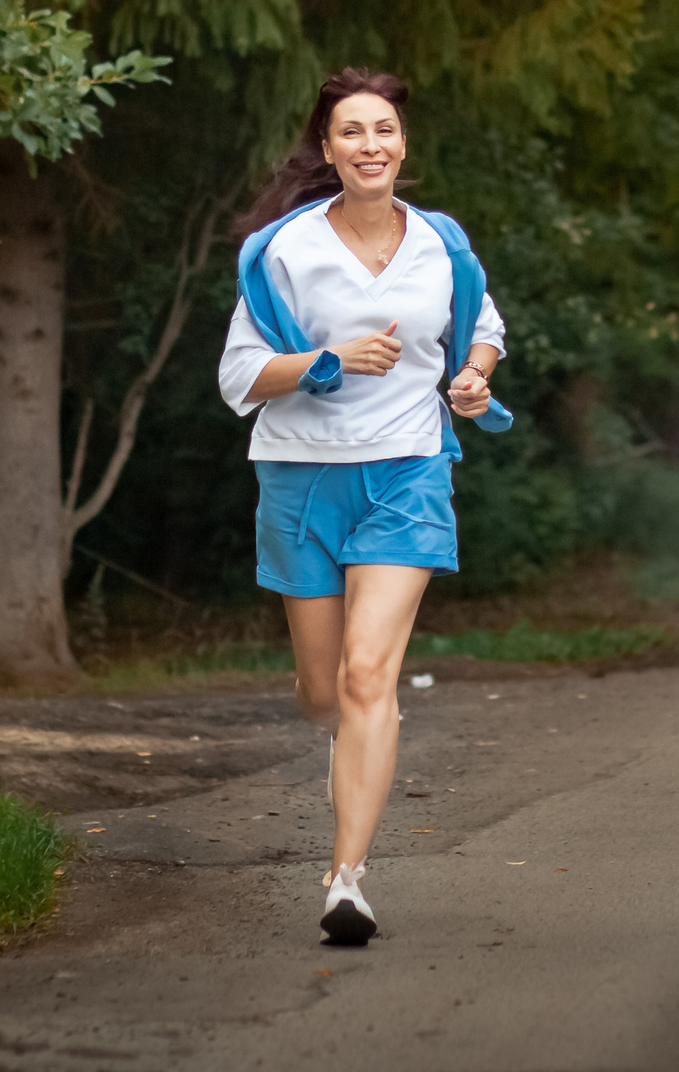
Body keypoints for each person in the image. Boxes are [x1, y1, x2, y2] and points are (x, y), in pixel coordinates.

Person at [217, 67, 514, 946]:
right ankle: (362, 724)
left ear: (403, 144)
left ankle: (347, 878)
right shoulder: (283, 251)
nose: (370, 144)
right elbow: (238, 376)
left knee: (364, 675)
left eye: (383, 128)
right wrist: (325, 358)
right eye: (351, 131)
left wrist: (472, 376)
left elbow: (484, 323)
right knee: (322, 691)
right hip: (300, 476)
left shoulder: (442, 245)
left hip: (408, 474)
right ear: (327, 149)